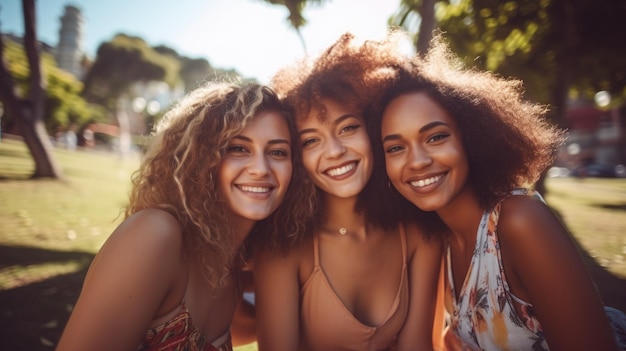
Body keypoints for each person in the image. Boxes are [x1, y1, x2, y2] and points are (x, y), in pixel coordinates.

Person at [372, 34, 626, 351]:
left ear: (471, 138)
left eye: (436, 137)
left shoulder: (519, 221)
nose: (418, 161)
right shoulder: (439, 239)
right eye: (395, 147)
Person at [56, 81, 308, 351]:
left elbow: (265, 325)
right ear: (202, 159)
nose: (260, 168)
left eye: (278, 152)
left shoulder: (231, 266)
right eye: (238, 148)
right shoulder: (155, 234)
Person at [252, 33, 444, 351]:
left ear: (373, 130)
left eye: (348, 128)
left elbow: (417, 344)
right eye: (311, 140)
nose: (335, 151)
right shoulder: (282, 247)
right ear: (298, 158)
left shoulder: (419, 232)